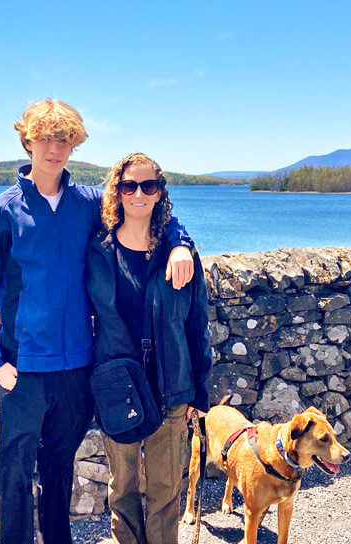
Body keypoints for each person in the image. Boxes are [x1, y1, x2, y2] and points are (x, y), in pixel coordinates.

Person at [0, 100, 196, 544]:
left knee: (59, 471)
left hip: (76, 369)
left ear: (74, 145)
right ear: (27, 141)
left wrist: (180, 242)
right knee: (14, 475)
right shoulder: (1, 212)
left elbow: (146, 211)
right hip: (22, 369)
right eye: (45, 138)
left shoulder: (87, 204)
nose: (55, 149)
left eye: (64, 139)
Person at [86, 152, 213, 544]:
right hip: (117, 388)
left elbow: (197, 326)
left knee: (164, 493)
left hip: (170, 388)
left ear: (159, 194)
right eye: (129, 185)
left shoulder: (181, 257)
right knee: (122, 491)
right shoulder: (98, 251)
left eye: (148, 186)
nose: (138, 193)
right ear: (117, 191)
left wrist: (200, 391)